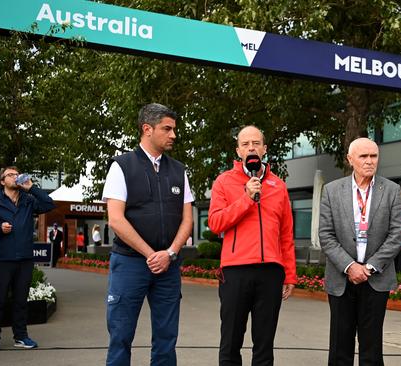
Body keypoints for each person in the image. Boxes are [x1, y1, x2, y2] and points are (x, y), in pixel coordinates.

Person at [102, 103, 194, 365]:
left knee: (166, 339)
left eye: (174, 129)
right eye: (167, 129)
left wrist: (170, 253)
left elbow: (188, 220)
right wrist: (152, 255)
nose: (173, 134)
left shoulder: (179, 170)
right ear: (147, 129)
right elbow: (116, 220)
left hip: (169, 266)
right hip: (130, 264)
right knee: (121, 336)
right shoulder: (122, 166)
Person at [208, 125, 296, 366]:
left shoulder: (278, 185)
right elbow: (215, 223)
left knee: (264, 346)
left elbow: (286, 234)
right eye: (245, 144)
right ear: (238, 150)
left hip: (271, 272)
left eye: (256, 143)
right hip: (235, 271)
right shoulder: (224, 182)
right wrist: (246, 198)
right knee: (230, 343)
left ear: (264, 149)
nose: (251, 148)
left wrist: (289, 274)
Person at [319, 137, 401, 366]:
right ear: (350, 159)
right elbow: (326, 235)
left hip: (376, 277)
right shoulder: (331, 190)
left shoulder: (392, 190)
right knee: (339, 347)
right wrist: (349, 266)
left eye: (373, 156)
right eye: (363, 156)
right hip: (341, 278)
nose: (369, 161)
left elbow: (397, 234)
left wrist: (368, 267)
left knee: (372, 348)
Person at [0, 166, 55, 352]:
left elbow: (49, 204)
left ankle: (21, 336)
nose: (15, 177)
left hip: (24, 259)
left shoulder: (28, 200)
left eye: (17, 174)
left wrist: (31, 187)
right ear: (2, 181)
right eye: (10, 175)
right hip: (2, 259)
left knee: (21, 300)